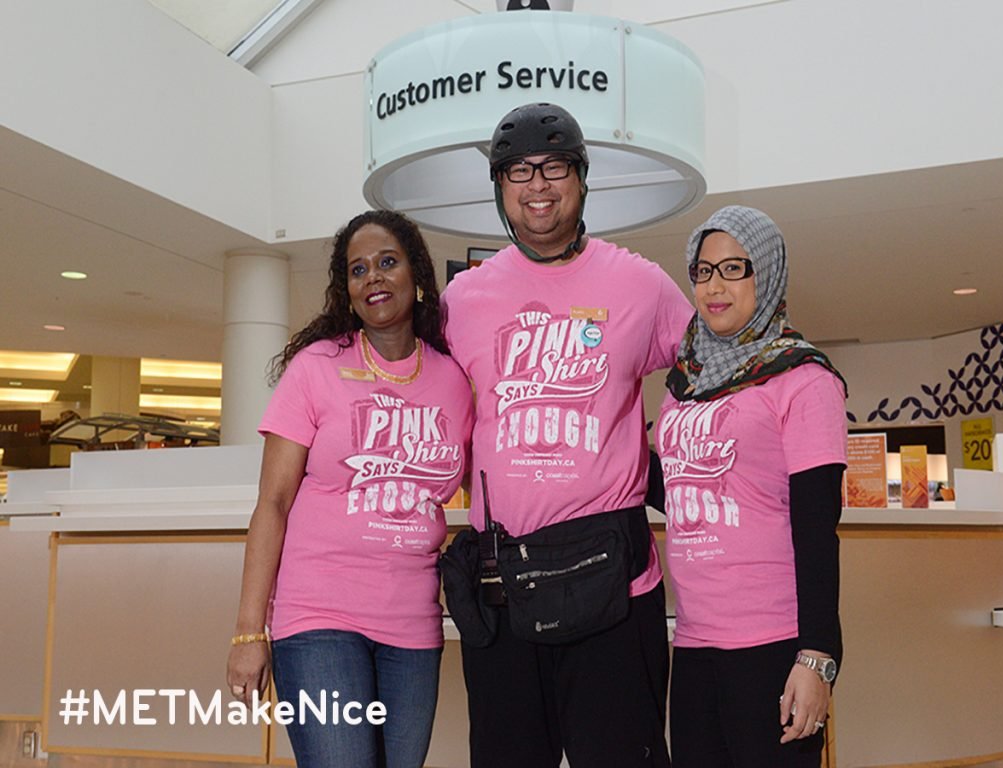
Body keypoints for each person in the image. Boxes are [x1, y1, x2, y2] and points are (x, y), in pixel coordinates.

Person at [441, 102, 693, 768]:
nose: (538, 185)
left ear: (582, 178)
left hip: (614, 588)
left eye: (554, 167)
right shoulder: (463, 299)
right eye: (519, 171)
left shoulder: (640, 283)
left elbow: (710, 371)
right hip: (503, 587)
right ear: (499, 189)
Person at [226, 210, 473, 768]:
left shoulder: (453, 382)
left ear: (417, 275)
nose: (374, 278)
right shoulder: (317, 368)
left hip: (412, 623)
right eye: (358, 270)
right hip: (318, 617)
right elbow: (272, 504)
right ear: (347, 290)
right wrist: (248, 633)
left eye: (387, 262)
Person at [654, 205, 847, 767]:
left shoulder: (803, 380)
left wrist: (817, 658)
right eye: (703, 270)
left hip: (773, 645)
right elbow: (686, 495)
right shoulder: (684, 384)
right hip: (692, 643)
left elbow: (816, 530)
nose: (715, 286)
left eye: (734, 268)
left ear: (766, 275)